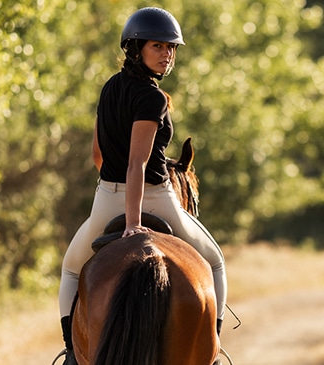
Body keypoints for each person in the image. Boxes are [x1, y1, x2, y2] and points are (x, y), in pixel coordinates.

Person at [57, 6, 228, 358]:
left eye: (171, 48)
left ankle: (71, 354)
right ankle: (212, 350)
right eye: (158, 47)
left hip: (105, 199)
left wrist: (112, 189)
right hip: (154, 198)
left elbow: (98, 156)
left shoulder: (109, 89)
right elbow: (138, 164)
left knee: (72, 269)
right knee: (214, 261)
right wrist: (134, 224)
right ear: (135, 48)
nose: (167, 55)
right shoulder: (152, 98)